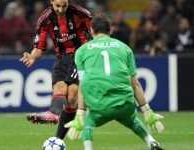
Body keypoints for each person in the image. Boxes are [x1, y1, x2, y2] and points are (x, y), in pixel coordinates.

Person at [64, 15, 165, 150]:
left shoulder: (81, 51)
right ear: (110, 30)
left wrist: (80, 113)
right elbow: (134, 83)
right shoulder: (125, 48)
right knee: (132, 120)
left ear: (91, 30)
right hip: (125, 104)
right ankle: (151, 142)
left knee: (87, 124)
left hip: (99, 106)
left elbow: (83, 84)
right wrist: (147, 110)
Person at [20, 0, 92, 139]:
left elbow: (95, 35)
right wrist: (32, 56)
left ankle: (65, 126)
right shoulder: (45, 19)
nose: (61, 9)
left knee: (72, 95)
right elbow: (39, 47)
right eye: (57, 6)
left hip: (80, 56)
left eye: (64, 5)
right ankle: (53, 114)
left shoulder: (81, 14)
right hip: (62, 58)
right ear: (51, 2)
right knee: (59, 87)